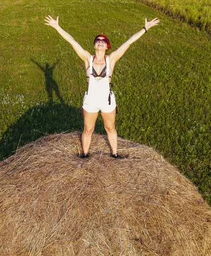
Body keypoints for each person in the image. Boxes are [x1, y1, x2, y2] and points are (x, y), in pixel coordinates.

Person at [44, 15, 160, 158]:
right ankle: (85, 155)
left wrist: (145, 28)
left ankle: (115, 154)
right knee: (88, 129)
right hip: (90, 101)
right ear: (94, 45)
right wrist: (57, 27)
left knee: (110, 128)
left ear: (107, 46)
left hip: (107, 101)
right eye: (97, 40)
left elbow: (128, 42)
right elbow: (72, 41)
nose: (100, 42)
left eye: (103, 41)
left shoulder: (111, 59)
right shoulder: (87, 58)